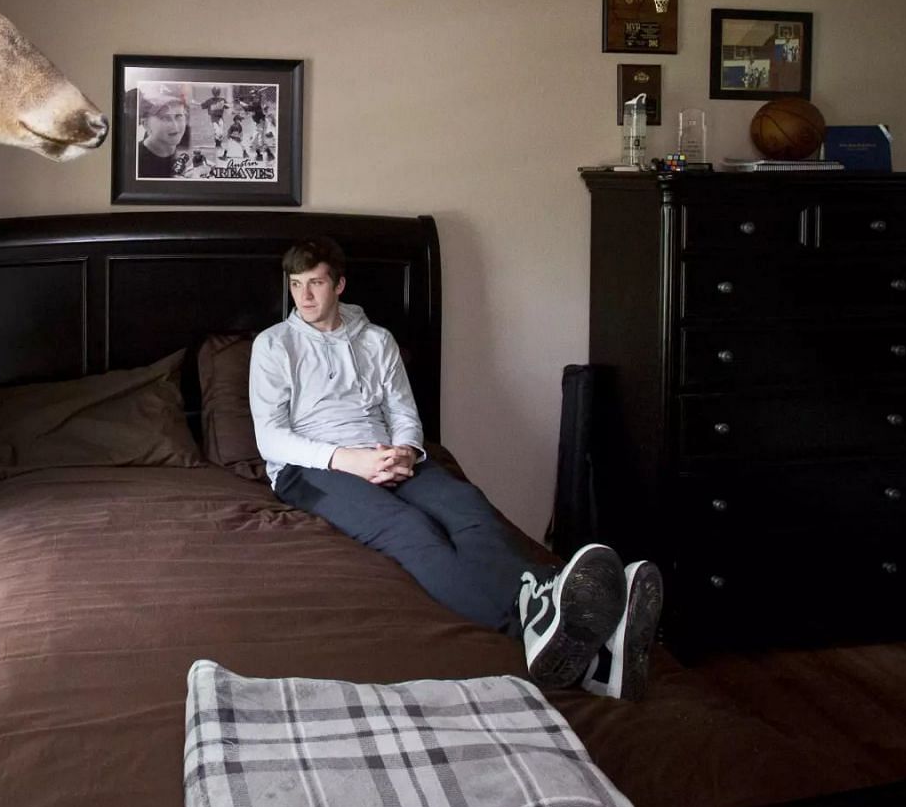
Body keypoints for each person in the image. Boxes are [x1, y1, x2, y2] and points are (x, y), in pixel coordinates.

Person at [249, 236, 664, 700]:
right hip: (312, 468)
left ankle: (568, 615)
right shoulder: (274, 346)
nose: (304, 296)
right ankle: (534, 623)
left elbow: (404, 411)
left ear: (340, 285)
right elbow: (270, 436)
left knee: (466, 505)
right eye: (296, 285)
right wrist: (352, 461)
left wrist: (404, 450)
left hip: (386, 454)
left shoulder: (376, 340)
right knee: (409, 528)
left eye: (316, 283)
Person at [136, 89, 190, 179]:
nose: (175, 125)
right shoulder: (136, 163)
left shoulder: (186, 155)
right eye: (165, 118)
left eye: (178, 116)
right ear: (145, 124)